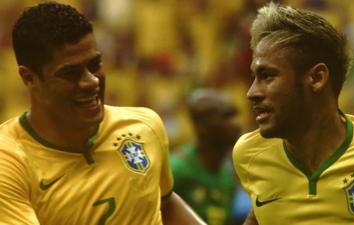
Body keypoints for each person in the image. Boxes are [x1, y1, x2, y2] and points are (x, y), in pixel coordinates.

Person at [0, 2, 205, 225]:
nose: (92, 81)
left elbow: (165, 203)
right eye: (70, 73)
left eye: (95, 64)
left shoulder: (144, 127)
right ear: (29, 78)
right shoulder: (9, 162)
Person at [232, 2, 354, 225]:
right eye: (253, 77)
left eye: (268, 76)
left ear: (317, 78)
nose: (252, 93)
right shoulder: (248, 154)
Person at [170, 88, 244, 225]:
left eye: (235, 117)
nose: (236, 125)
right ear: (201, 126)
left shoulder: (226, 174)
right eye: (226, 117)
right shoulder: (176, 170)